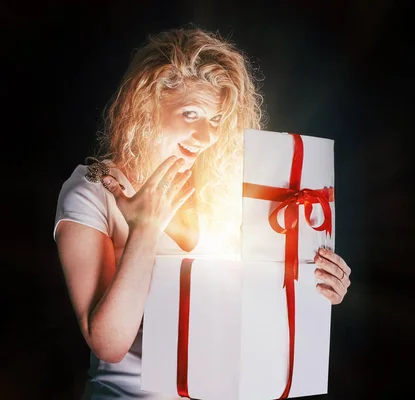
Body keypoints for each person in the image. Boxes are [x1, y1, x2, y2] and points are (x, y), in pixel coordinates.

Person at [53, 27, 352, 399]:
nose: (206, 136)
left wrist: (316, 285)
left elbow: (254, 309)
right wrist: (145, 228)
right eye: (190, 113)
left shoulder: (221, 193)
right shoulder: (93, 190)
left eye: (215, 120)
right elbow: (109, 343)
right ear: (147, 104)